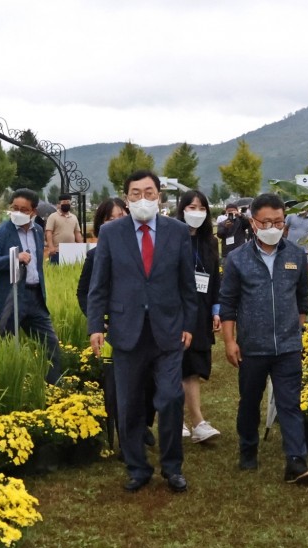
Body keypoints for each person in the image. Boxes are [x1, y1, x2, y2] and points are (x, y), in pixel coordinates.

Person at [87, 170, 198, 493]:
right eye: (135, 193)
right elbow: (99, 285)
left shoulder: (177, 232)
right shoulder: (111, 233)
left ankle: (172, 467)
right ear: (126, 198)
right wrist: (96, 325)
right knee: (130, 403)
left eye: (149, 192)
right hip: (126, 331)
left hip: (168, 331)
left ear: (159, 196)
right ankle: (137, 467)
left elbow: (186, 285)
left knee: (170, 397)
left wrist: (189, 323)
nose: (143, 199)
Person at [220, 192, 308, 485]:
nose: (273, 227)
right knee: (250, 401)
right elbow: (228, 304)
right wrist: (229, 341)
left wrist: (295, 329)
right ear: (254, 222)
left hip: (288, 346)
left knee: (290, 402)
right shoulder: (238, 259)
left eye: (279, 222)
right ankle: (248, 449)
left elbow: (303, 300)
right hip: (252, 346)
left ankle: (296, 462)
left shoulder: (295, 255)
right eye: (267, 222)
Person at [0, 188, 61, 385]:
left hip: (34, 297)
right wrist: (13, 258)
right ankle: (6, 390)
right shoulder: (0, 233)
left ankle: (55, 388)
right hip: (11, 297)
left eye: (23, 210)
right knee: (6, 349)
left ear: (34, 212)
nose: (18, 212)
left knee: (51, 345)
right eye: (14, 208)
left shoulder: (38, 230)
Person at [76, 197, 128, 449]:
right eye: (110, 219)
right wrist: (97, 322)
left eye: (122, 217)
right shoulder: (95, 255)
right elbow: (84, 293)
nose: (117, 223)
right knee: (114, 384)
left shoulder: (140, 251)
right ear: (101, 225)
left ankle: (139, 426)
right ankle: (121, 436)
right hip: (111, 329)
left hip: (139, 326)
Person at [175, 190, 222, 443]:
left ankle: (196, 423)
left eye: (202, 208)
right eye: (191, 207)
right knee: (178, 365)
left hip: (202, 311)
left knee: (194, 367)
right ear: (181, 209)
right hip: (177, 311)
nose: (197, 212)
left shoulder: (210, 242)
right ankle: (183, 419)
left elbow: (215, 278)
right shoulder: (172, 238)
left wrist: (216, 309)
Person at [45, 193, 83, 264]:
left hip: (71, 250)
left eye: (68, 202)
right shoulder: (53, 217)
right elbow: (49, 232)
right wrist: (51, 246)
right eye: (64, 203)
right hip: (57, 251)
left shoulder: (74, 217)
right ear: (59, 204)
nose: (66, 204)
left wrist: (81, 246)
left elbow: (77, 233)